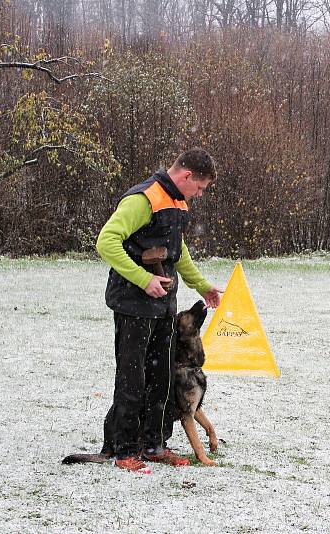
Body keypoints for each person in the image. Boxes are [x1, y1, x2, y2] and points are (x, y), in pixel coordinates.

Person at [95, 147, 222, 473]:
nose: (200, 193)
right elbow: (106, 241)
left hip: (163, 307)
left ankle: (154, 445)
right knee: (132, 379)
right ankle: (123, 450)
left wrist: (202, 286)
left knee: (161, 380)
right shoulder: (143, 199)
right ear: (186, 176)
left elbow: (178, 254)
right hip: (133, 304)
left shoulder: (177, 202)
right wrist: (142, 278)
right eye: (200, 187)